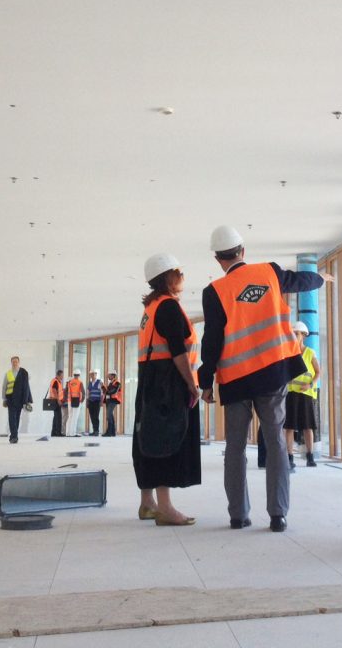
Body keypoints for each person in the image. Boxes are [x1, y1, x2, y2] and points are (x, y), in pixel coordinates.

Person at [198, 225, 331, 532]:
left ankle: (238, 515)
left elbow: (212, 341)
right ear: (242, 251)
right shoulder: (269, 272)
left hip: (235, 380)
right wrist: (321, 279)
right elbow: (300, 281)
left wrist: (206, 382)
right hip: (272, 375)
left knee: (235, 447)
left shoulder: (214, 292)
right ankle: (278, 514)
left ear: (218, 259)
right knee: (274, 442)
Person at [134, 253, 202, 526]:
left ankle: (148, 503)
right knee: (165, 438)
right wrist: (191, 384)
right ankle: (165, 508)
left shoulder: (151, 308)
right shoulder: (168, 307)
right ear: (168, 277)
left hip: (151, 380)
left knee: (148, 437)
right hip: (167, 381)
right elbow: (178, 352)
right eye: (179, 272)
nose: (182, 276)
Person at [283, 320, 320, 471]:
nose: (295, 336)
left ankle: (310, 457)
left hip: (306, 395)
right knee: (289, 427)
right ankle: (289, 457)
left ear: (303, 335)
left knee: (307, 426)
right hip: (291, 394)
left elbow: (318, 372)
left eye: (297, 333)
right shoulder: (289, 353)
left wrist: (310, 385)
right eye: (293, 333)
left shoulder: (310, 353)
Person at [3, 356, 32, 444]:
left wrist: (26, 400)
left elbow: (26, 387)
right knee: (11, 417)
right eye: (13, 362)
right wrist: (4, 399)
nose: (15, 363)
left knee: (17, 418)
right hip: (10, 398)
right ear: (11, 363)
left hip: (20, 399)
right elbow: (4, 386)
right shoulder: (8, 373)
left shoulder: (23, 373)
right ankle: (14, 436)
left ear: (19, 362)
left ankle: (14, 435)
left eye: (16, 362)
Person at [65, 370, 84, 436]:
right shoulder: (80, 382)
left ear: (74, 374)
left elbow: (66, 391)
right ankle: (73, 433)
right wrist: (81, 401)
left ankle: (68, 433)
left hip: (70, 401)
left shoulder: (70, 382)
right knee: (75, 417)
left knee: (70, 416)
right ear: (79, 375)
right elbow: (83, 392)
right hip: (77, 401)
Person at [103, 370, 122, 437]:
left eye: (109, 375)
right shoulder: (111, 383)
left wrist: (107, 391)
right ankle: (113, 432)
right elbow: (107, 392)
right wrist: (103, 388)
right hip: (109, 400)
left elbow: (113, 391)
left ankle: (109, 432)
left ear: (113, 375)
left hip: (113, 400)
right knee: (110, 416)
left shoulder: (117, 383)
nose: (108, 376)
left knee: (109, 415)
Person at [85, 369, 104, 436]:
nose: (93, 375)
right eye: (91, 374)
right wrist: (87, 402)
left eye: (94, 374)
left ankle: (96, 431)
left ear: (96, 374)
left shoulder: (99, 382)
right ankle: (94, 430)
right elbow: (87, 393)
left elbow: (102, 393)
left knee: (96, 416)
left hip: (97, 401)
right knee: (92, 416)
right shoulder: (90, 383)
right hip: (91, 401)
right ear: (90, 375)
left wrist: (101, 402)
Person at [48, 369, 66, 437]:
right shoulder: (56, 381)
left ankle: (54, 432)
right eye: (62, 375)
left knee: (56, 417)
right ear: (59, 375)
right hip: (56, 401)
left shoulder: (57, 381)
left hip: (55, 400)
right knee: (58, 417)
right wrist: (58, 400)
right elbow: (54, 390)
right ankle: (58, 433)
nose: (62, 376)